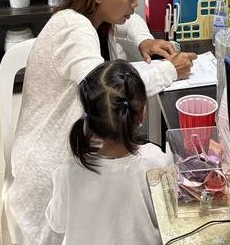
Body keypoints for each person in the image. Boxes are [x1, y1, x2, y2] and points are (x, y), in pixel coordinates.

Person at [7, 0, 197, 245]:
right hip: (49, 173)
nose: (135, 4)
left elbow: (130, 20)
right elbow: (105, 88)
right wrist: (170, 70)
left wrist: (144, 40)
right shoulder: (74, 30)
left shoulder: (91, 17)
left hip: (74, 158)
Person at [46, 60, 171, 245]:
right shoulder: (155, 162)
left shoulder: (69, 171)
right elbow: (170, 218)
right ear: (141, 114)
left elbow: (57, 223)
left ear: (89, 120)